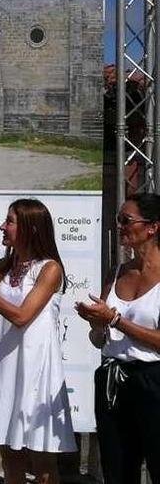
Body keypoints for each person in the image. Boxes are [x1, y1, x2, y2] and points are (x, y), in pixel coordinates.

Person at [0, 198, 76, 484]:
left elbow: (22, 316)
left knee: (43, 460)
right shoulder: (4, 265)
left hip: (35, 369)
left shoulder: (49, 269)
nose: (2, 226)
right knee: (10, 456)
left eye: (10, 221)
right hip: (4, 368)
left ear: (31, 228)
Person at [75, 193, 160, 484]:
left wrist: (115, 320)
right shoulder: (116, 272)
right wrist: (97, 324)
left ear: (152, 227)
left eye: (126, 220)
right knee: (118, 470)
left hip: (154, 381)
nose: (120, 225)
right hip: (113, 380)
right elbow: (100, 340)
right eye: (118, 219)